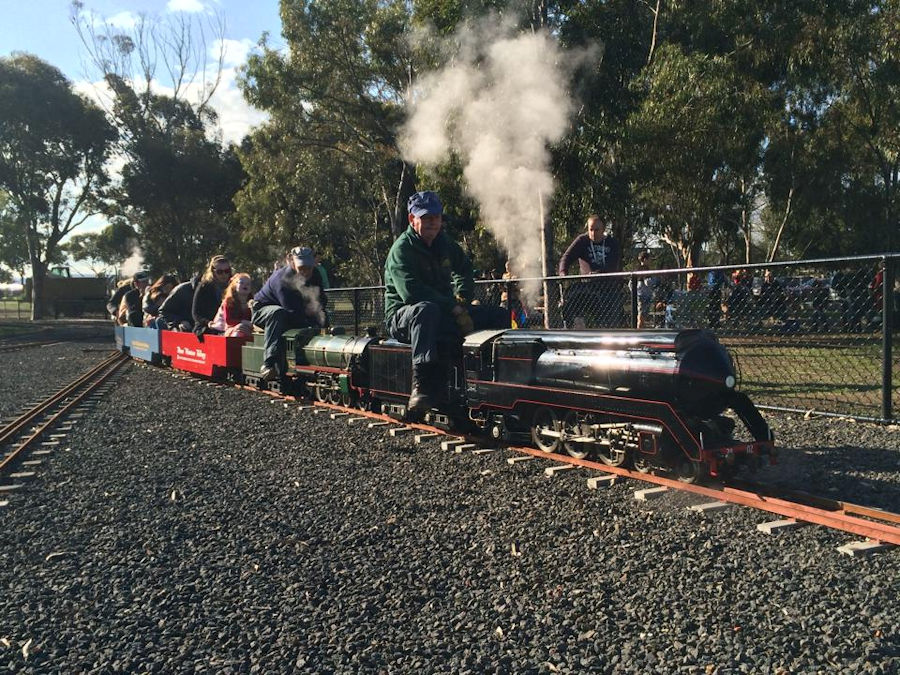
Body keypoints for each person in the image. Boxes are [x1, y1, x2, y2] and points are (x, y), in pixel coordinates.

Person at [384, 190, 508, 413]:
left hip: (444, 311)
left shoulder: (445, 243)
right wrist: (453, 307)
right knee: (425, 310)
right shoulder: (401, 250)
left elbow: (465, 269)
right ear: (413, 219)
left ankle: (499, 377)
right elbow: (411, 293)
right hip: (403, 318)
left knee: (497, 314)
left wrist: (462, 298)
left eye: (437, 217)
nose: (433, 223)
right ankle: (421, 385)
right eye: (427, 218)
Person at [252, 246, 328, 381]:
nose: (305, 272)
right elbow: (291, 312)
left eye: (308, 268)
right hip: (263, 311)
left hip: (297, 308)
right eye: (301, 268)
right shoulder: (282, 280)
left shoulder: (315, 274)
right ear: (293, 263)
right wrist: (308, 321)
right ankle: (269, 363)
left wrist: (319, 315)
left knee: (321, 314)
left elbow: (321, 298)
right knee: (277, 313)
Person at [558, 215, 623, 328]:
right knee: (576, 306)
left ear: (603, 229)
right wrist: (563, 272)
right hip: (588, 288)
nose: (593, 233)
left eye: (596, 230)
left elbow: (613, 265)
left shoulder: (612, 243)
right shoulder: (582, 240)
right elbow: (566, 257)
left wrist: (598, 273)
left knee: (610, 323)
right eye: (590, 229)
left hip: (608, 288)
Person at [192, 255, 232, 337]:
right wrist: (208, 323)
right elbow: (196, 313)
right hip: (208, 327)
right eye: (220, 272)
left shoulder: (235, 285)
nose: (224, 274)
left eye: (227, 271)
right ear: (213, 272)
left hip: (230, 325)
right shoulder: (204, 287)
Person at [211, 273, 253, 337]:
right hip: (230, 330)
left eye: (248, 284)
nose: (245, 285)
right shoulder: (228, 302)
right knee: (238, 332)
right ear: (234, 285)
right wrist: (243, 323)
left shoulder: (253, 302)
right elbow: (228, 321)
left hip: (249, 329)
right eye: (241, 283)